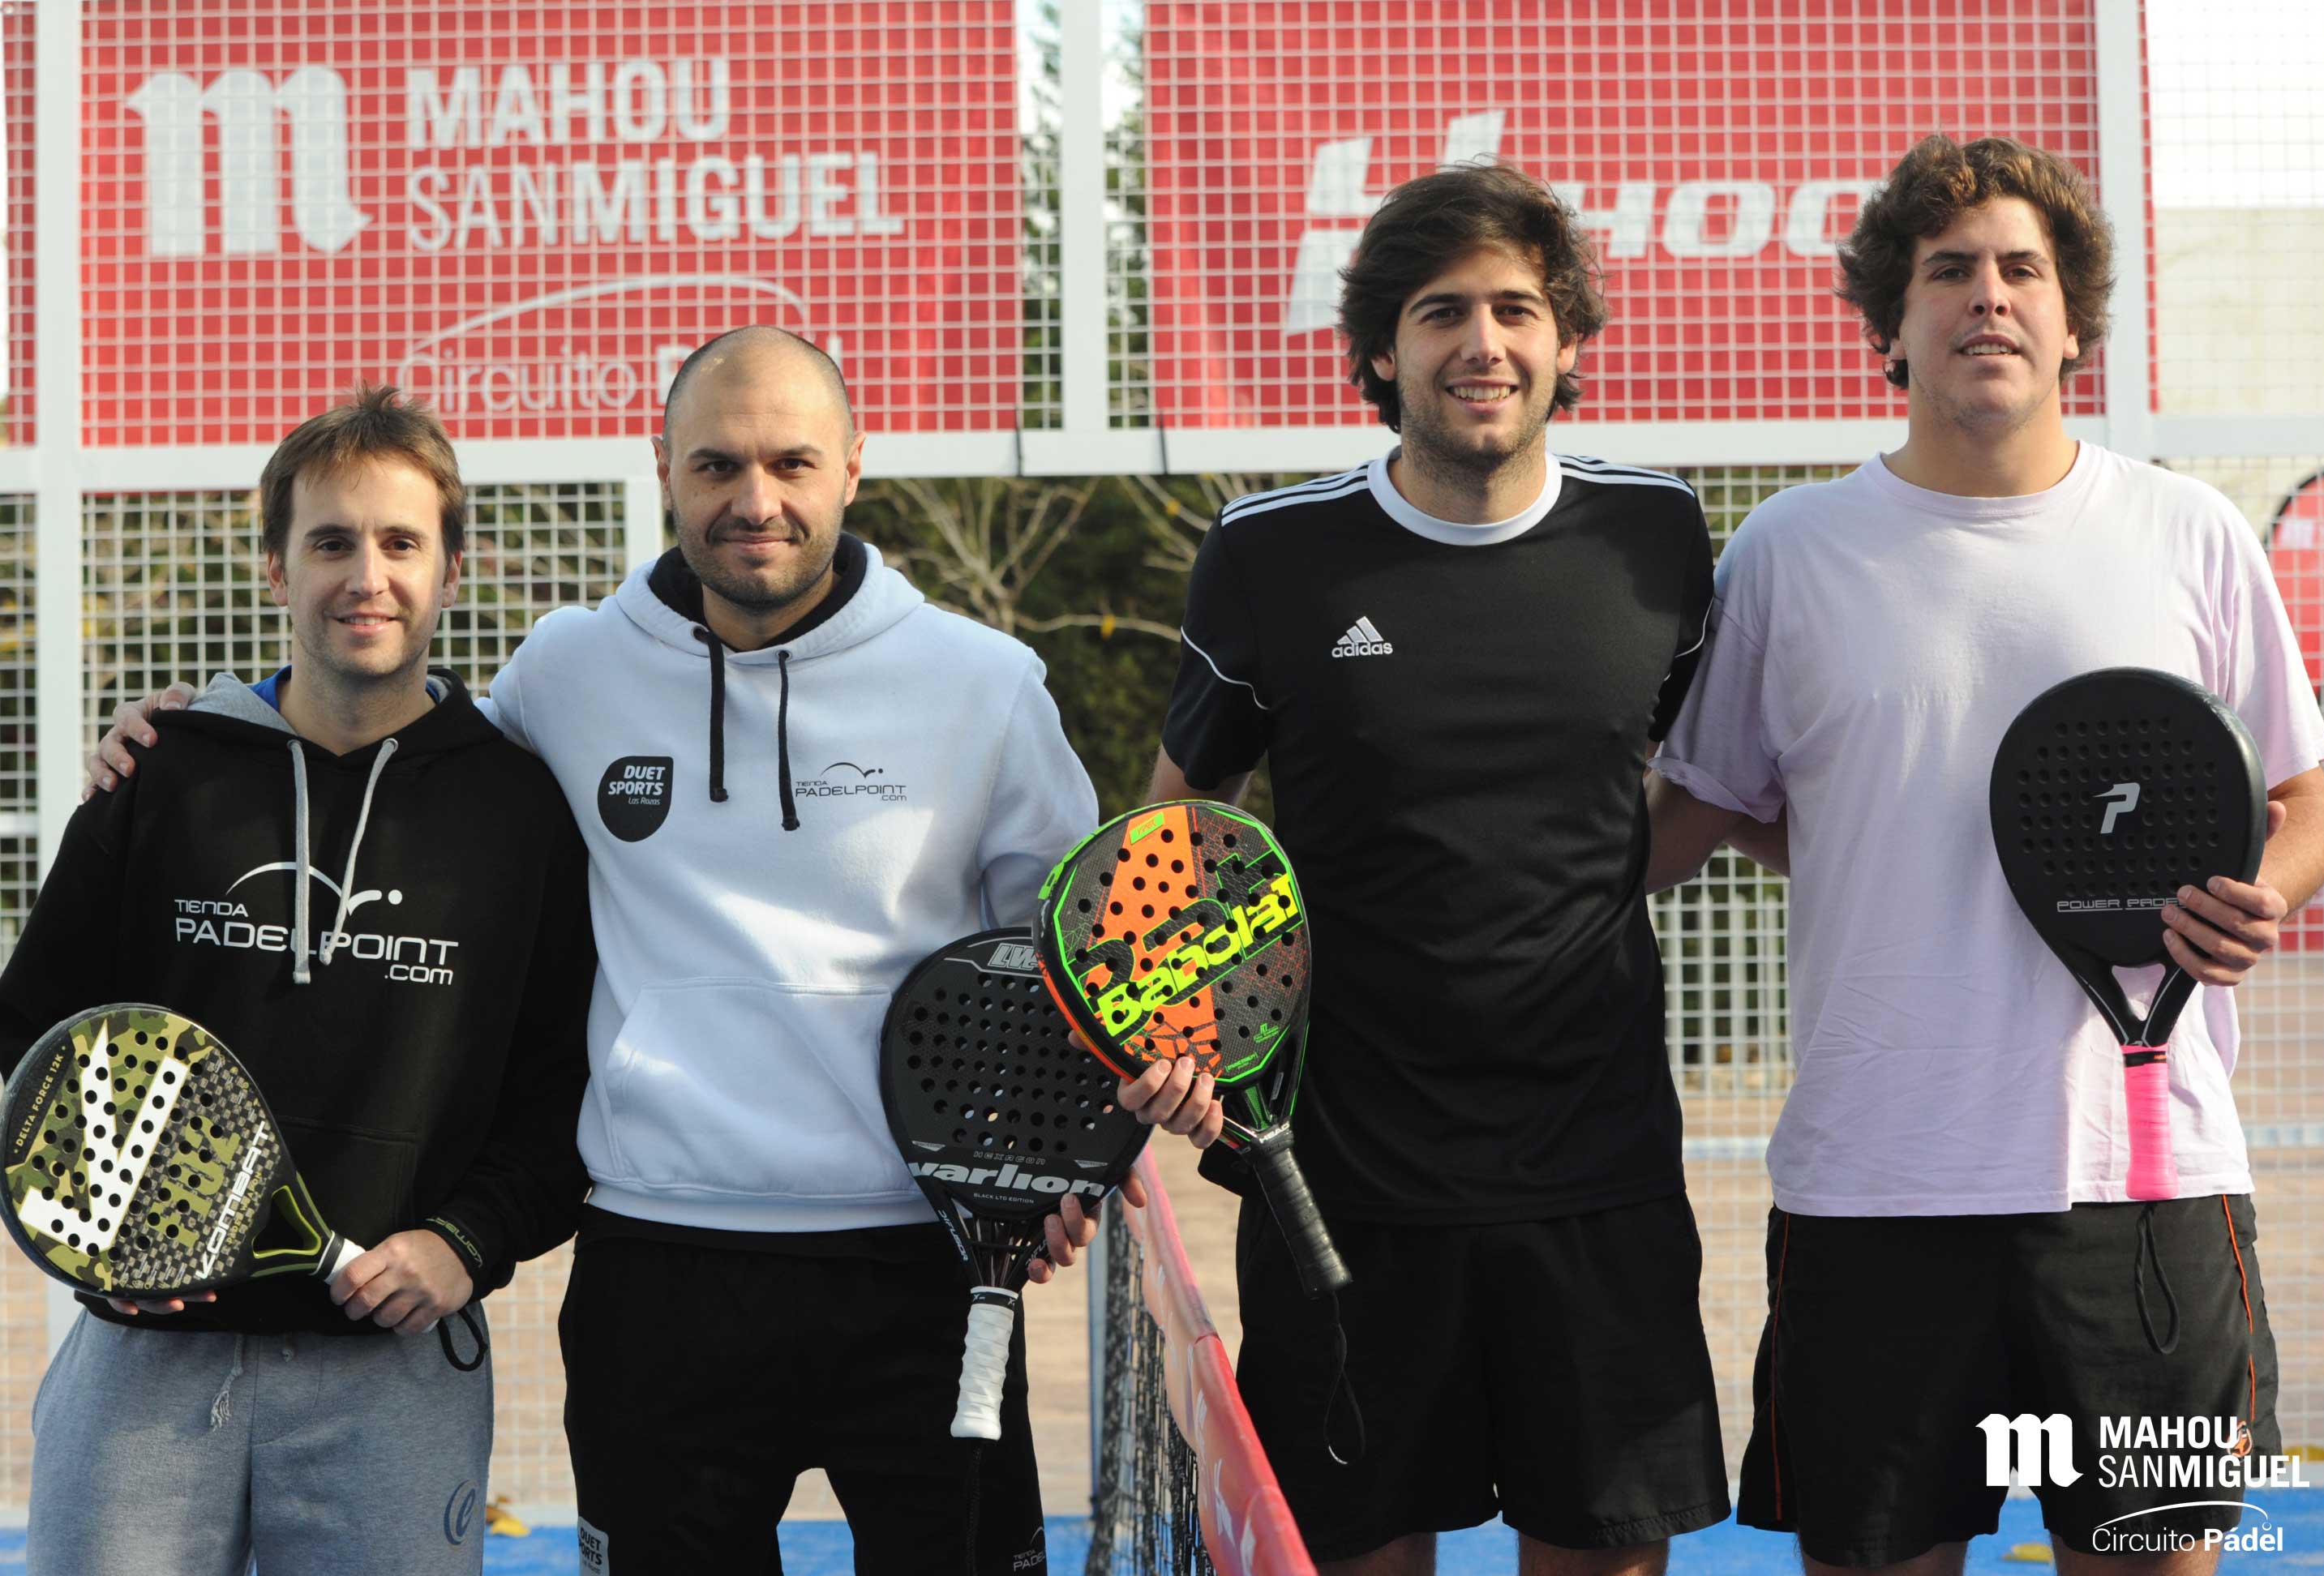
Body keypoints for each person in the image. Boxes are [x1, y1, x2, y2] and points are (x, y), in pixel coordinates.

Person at [92, 325, 1106, 1573]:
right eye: (716, 464)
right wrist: (202, 733)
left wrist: (1065, 1166)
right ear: (663, 470)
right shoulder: (568, 671)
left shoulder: (985, 684)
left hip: (925, 1266)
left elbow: (1077, 964)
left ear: (853, 465)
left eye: (792, 462)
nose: (755, 499)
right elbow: (401, 752)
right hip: (656, 1268)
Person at [1645, 135, 2324, 1575]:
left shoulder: (2188, 532)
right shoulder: (1787, 553)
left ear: (2074, 323)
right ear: (1891, 325)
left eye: (2023, 269)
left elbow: (2302, 797)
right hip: (1874, 1186)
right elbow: (1707, 810)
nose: (1988, 295)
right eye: (1948, 271)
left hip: (2144, 1185)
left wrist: (2261, 894)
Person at [1123, 161, 1732, 1574]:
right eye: (1441, 311)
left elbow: (1700, 786)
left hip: (1598, 1176)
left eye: (1516, 308)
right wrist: (1178, 1033)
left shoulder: (1656, 536)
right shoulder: (1271, 553)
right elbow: (1177, 829)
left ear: (1566, 339)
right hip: (1340, 1184)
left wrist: (1576, 889)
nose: (1483, 343)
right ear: (1382, 352)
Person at [2, 386, 595, 1576]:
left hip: (396, 1371)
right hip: (144, 1364)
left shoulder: (524, 810)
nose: (366, 577)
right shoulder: (161, 776)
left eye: (401, 543)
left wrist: (466, 1242)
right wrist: (102, 1235)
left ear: (452, 569)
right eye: (331, 542)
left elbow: (565, 1090)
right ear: (275, 567)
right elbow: (37, 1047)